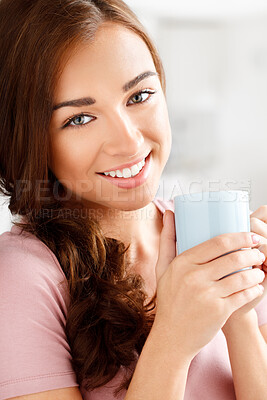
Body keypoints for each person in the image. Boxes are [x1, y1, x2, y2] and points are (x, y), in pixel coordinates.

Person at [0, 0, 267, 399]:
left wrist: (240, 312)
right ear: (29, 138)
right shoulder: (23, 278)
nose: (129, 141)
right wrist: (173, 341)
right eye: (79, 118)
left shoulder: (212, 236)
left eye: (140, 95)